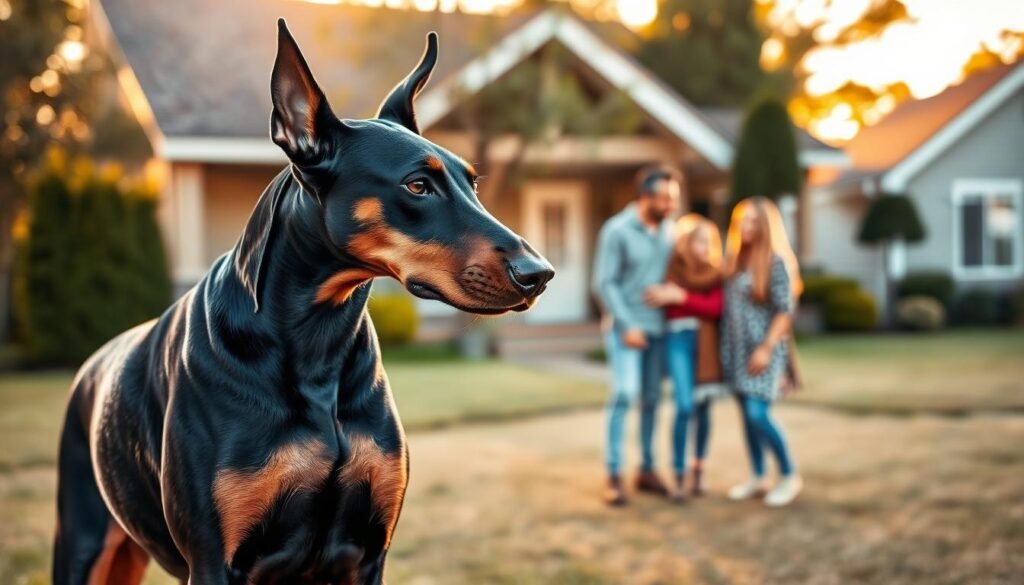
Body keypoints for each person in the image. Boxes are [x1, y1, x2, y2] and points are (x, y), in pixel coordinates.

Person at [592, 164, 682, 506]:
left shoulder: (671, 232)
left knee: (653, 400)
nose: (672, 205)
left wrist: (677, 293)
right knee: (625, 394)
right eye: (666, 198)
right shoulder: (617, 230)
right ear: (646, 197)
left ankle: (646, 469)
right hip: (625, 329)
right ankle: (613, 474)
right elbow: (604, 283)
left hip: (660, 329)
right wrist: (628, 325)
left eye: (674, 199)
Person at [720, 196, 804, 507]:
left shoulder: (775, 262)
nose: (747, 227)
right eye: (743, 221)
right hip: (735, 351)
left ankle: (789, 474)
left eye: (754, 221)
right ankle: (758, 475)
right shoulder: (734, 262)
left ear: (766, 226)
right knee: (746, 416)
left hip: (762, 351)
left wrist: (767, 348)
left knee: (758, 414)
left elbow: (785, 311)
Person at [645, 214, 726, 502]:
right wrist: (682, 301)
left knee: (704, 407)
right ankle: (679, 475)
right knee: (684, 405)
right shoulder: (672, 269)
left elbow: (715, 308)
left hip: (707, 346)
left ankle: (698, 468)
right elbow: (671, 310)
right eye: (694, 241)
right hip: (678, 340)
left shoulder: (717, 273)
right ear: (683, 244)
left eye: (706, 242)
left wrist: (681, 297)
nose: (700, 248)